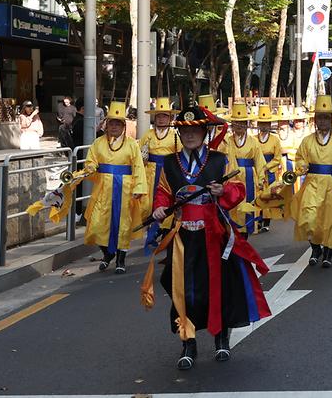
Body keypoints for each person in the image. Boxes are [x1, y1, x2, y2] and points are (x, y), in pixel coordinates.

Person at [145, 103, 271, 370]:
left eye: (195, 130)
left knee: (219, 289)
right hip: (182, 239)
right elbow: (164, 193)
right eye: (184, 131)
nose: (189, 135)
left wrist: (221, 192)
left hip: (214, 235)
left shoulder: (220, 159)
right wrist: (158, 207)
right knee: (184, 292)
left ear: (204, 131)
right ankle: (187, 343)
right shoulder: (170, 162)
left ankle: (221, 340)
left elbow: (238, 191)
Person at [80, 102, 147, 273]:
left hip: (124, 189)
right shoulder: (98, 143)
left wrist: (139, 187)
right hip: (103, 189)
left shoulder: (131, 144)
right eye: (112, 123)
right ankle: (108, 253)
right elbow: (91, 160)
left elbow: (138, 166)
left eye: (118, 123)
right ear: (106, 125)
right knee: (96, 224)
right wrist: (90, 167)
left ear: (124, 126)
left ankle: (121, 259)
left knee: (122, 224)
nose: (115, 126)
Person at [291, 95, 332, 268]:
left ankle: (328, 253)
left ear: (331, 120)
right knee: (308, 218)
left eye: (326, 117)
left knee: (331, 220)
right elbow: (299, 158)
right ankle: (315, 248)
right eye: (320, 117)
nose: (323, 121)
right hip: (312, 182)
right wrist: (301, 166)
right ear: (315, 120)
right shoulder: (307, 141)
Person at [221, 102, 266, 236]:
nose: (239, 126)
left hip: (249, 176)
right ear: (232, 124)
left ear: (247, 124)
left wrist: (261, 178)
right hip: (232, 176)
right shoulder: (227, 141)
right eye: (236, 122)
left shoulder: (253, 142)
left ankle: (246, 231)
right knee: (233, 205)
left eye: (242, 122)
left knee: (247, 203)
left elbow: (259, 161)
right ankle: (232, 231)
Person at [138, 97, 178, 238]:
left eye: (165, 116)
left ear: (170, 118)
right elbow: (140, 156)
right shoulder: (148, 135)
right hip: (150, 172)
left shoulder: (175, 136)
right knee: (148, 202)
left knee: (167, 200)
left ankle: (165, 230)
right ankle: (152, 230)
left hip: (167, 172)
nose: (161, 119)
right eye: (159, 116)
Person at [254, 105, 284, 232]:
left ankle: (266, 221)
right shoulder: (254, 139)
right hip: (257, 169)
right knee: (258, 193)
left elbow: (277, 157)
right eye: (262, 123)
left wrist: (266, 166)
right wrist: (259, 167)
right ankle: (258, 219)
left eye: (267, 123)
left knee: (268, 195)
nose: (264, 126)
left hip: (269, 169)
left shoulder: (275, 140)